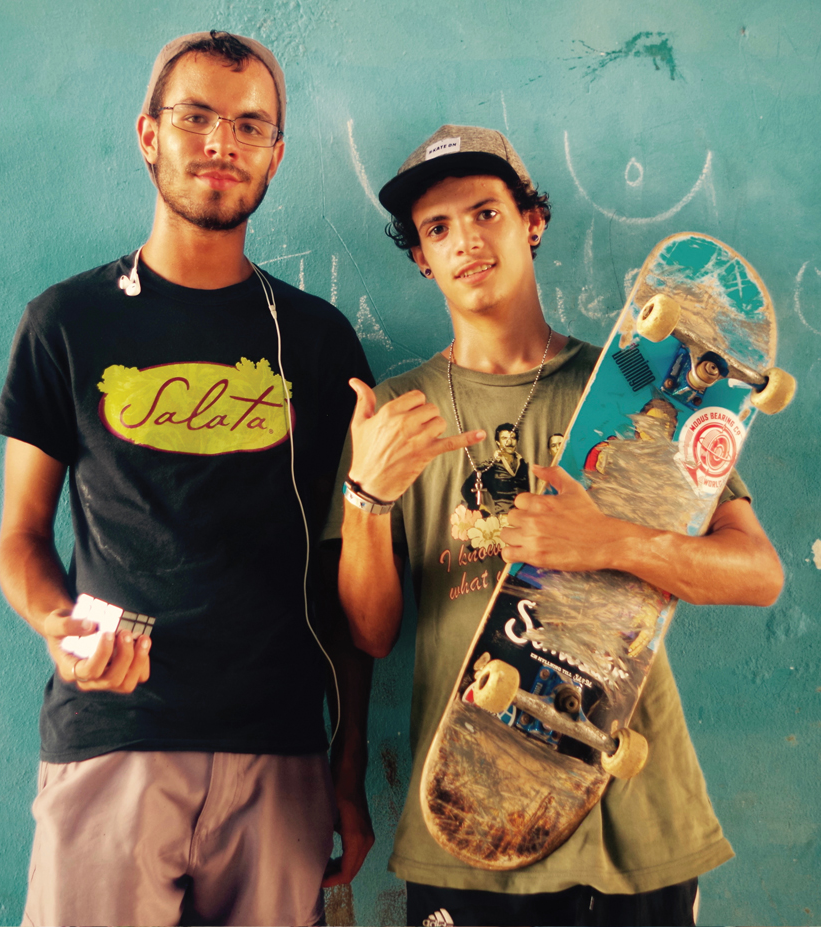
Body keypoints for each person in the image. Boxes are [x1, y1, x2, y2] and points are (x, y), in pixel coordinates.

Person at [330, 125, 783, 927]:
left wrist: (610, 543)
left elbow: (758, 572)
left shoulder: (638, 388)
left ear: (531, 221)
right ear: (420, 259)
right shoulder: (397, 417)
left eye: (485, 213)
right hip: (469, 809)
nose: (465, 241)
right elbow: (371, 634)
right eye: (438, 229)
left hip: (634, 818)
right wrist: (366, 499)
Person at [0, 31, 373, 927]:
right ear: (148, 134)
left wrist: (346, 770)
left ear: (275, 154)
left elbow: (347, 573)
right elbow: (18, 535)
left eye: (249, 126)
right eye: (195, 116)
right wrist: (59, 624)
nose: (220, 144)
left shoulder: (318, 344)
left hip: (279, 755)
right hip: (113, 739)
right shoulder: (65, 323)